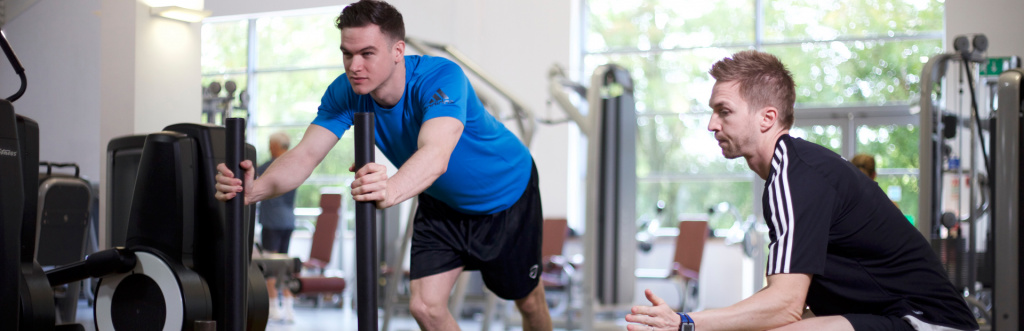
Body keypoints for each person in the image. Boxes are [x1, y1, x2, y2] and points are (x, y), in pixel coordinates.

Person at [213, 1, 552, 330]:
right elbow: (305, 155)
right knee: (424, 308)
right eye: (347, 53)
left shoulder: (441, 77)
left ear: (398, 51)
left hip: (506, 195)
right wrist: (256, 189)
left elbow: (436, 154)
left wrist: (389, 188)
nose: (354, 66)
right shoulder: (345, 92)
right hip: (442, 205)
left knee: (528, 302)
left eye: (367, 54)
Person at [625, 50, 978, 331]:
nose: (711, 124)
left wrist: (686, 322)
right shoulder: (795, 168)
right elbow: (787, 297)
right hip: (892, 315)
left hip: (925, 321)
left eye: (724, 111)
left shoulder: (795, 174)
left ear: (766, 118)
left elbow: (786, 305)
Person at [257, 131, 298, 323]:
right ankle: (288, 309)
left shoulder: (269, 165)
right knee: (285, 265)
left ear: (276, 146)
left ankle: (274, 307)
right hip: (287, 221)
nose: (268, 147)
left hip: (273, 222)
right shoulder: (294, 164)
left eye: (270, 144)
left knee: (271, 265)